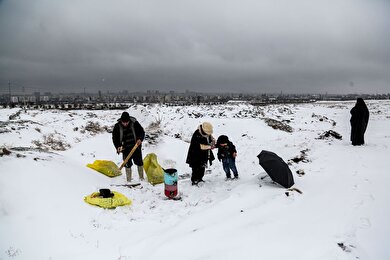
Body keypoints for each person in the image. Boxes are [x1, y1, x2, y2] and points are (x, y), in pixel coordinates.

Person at [112, 111, 145, 182]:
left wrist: (140, 139)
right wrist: (118, 146)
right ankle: (129, 180)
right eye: (124, 122)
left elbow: (142, 132)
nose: (125, 124)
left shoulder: (135, 123)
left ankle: (141, 178)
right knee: (127, 164)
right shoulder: (117, 126)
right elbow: (115, 138)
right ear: (121, 121)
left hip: (136, 147)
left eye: (127, 122)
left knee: (139, 162)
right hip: (125, 148)